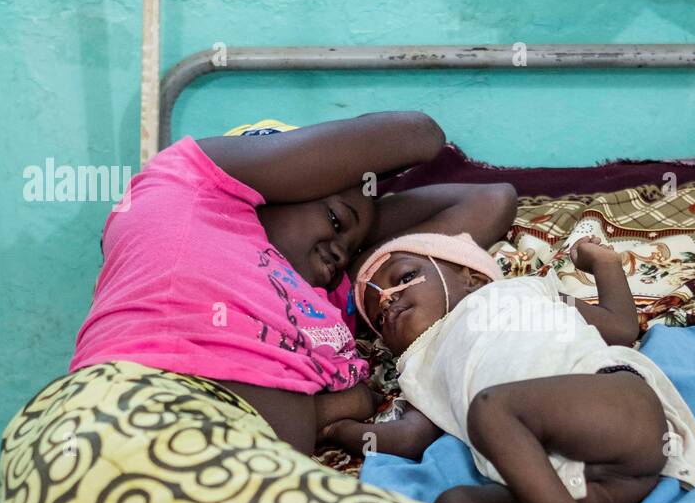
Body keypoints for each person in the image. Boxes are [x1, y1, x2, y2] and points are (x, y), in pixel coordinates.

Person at [69, 112, 517, 453]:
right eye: (336, 221)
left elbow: (490, 200)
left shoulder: (332, 295)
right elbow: (418, 134)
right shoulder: (187, 190)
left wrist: (360, 221)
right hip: (126, 418)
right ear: (275, 185)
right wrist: (348, 188)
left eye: (352, 245)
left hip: (250, 493)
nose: (343, 253)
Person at [323, 232, 695, 503]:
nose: (388, 301)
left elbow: (620, 327)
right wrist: (338, 429)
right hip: (594, 484)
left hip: (616, 408)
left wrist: (604, 264)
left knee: (492, 409)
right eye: (377, 313)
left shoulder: (521, 290)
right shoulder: (417, 368)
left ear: (469, 276)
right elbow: (408, 438)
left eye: (404, 278)